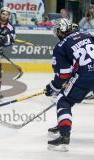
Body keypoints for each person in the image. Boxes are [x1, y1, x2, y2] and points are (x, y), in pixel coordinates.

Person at [45, 18, 94, 152]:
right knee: (68, 97)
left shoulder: (60, 46)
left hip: (85, 77)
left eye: (58, 32)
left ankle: (64, 136)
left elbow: (64, 75)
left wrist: (52, 87)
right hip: (88, 73)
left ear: (61, 31)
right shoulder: (87, 35)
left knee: (63, 100)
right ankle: (62, 124)